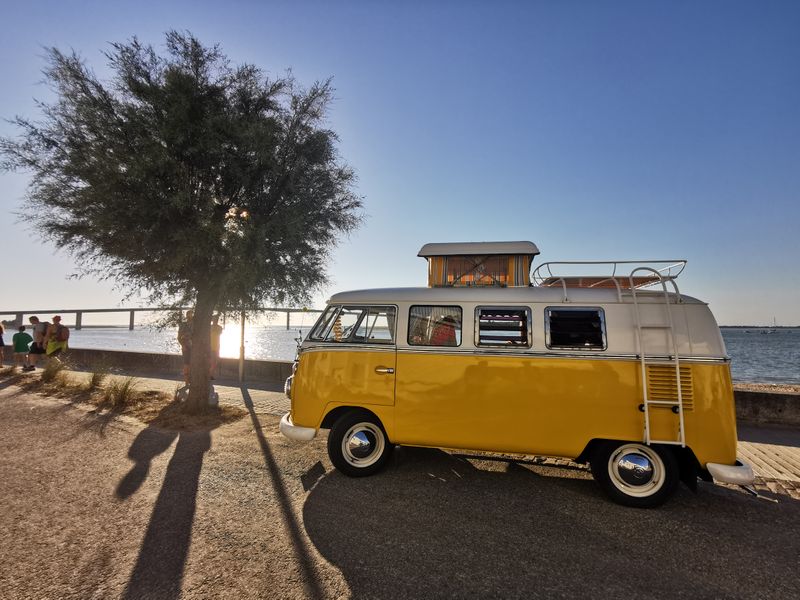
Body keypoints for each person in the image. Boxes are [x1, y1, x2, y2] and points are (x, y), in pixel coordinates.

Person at [177, 309, 194, 385]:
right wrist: (183, 345)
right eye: (189, 314)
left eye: (191, 314)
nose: (190, 316)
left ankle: (190, 379)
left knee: (192, 364)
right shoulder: (183, 325)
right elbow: (179, 337)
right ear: (186, 316)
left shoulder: (195, 325)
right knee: (186, 364)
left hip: (194, 347)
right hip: (186, 347)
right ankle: (186, 381)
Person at [209, 314, 223, 379]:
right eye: (214, 319)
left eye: (216, 319)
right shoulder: (209, 327)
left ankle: (210, 374)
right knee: (212, 362)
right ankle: (210, 375)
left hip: (217, 347)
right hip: (210, 348)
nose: (215, 321)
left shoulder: (219, 328)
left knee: (216, 362)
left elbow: (219, 332)